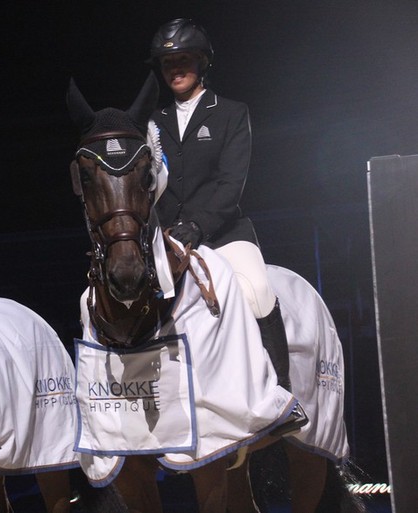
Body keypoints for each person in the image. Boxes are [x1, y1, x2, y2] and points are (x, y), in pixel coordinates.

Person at [147, 18, 306, 431]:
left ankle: (281, 397)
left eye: (183, 60)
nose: (175, 69)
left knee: (255, 290)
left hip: (222, 234)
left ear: (202, 63)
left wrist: (195, 228)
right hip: (168, 238)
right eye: (168, 62)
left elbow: (230, 184)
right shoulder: (153, 122)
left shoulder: (232, 113)